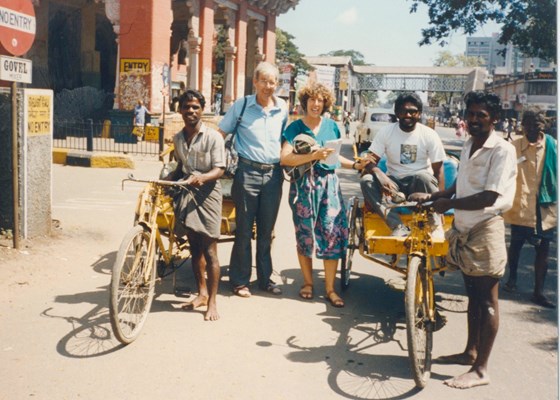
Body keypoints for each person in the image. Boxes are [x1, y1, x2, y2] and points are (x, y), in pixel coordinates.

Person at [410, 91, 517, 389]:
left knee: (488, 300)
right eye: (470, 114)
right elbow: (463, 182)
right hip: (463, 228)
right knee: (473, 296)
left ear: (494, 119)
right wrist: (436, 195)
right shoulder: (470, 143)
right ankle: (470, 352)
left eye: (481, 115)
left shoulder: (502, 150)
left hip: (486, 228)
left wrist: (450, 205)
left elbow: (489, 197)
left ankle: (481, 369)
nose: (473, 120)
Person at [280, 83, 368, 308]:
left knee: (331, 232)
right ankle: (308, 283)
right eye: (312, 100)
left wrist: (356, 165)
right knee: (305, 232)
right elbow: (285, 159)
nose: (316, 104)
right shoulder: (294, 128)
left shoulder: (332, 127)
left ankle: (330, 289)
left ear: (325, 103)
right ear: (305, 102)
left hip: (329, 185)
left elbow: (335, 159)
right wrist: (313, 155)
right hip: (304, 186)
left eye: (320, 100)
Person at [218, 62, 288, 298]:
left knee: (267, 231)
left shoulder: (283, 108)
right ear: (255, 82)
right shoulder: (243, 105)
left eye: (273, 82)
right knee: (244, 230)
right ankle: (239, 281)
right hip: (246, 172)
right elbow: (222, 133)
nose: (269, 86)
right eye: (264, 81)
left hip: (273, 174)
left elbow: (286, 140)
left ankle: (265, 279)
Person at [163, 89, 225, 321]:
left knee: (210, 251)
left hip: (208, 195)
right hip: (187, 194)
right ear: (179, 110)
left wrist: (202, 177)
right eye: (186, 107)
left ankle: (212, 302)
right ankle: (201, 293)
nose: (191, 111)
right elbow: (180, 168)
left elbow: (220, 169)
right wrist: (170, 179)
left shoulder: (213, 137)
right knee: (195, 248)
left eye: (195, 107)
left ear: (202, 110)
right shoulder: (178, 139)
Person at [360, 92, 446, 237]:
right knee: (366, 181)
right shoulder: (386, 132)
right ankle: (398, 226)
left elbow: (439, 171)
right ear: (396, 113)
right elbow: (368, 160)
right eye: (403, 111)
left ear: (419, 114)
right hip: (394, 186)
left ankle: (434, 223)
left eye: (413, 111)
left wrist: (441, 206)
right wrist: (380, 174)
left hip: (419, 185)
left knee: (423, 176)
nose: (408, 115)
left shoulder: (429, 134)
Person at [503, 107, 557, 308]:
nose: (532, 129)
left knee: (543, 249)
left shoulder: (554, 147)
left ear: (543, 125)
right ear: (522, 125)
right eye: (528, 125)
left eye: (536, 125)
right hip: (521, 206)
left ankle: (538, 292)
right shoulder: (514, 147)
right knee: (516, 246)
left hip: (545, 207)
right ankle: (512, 278)